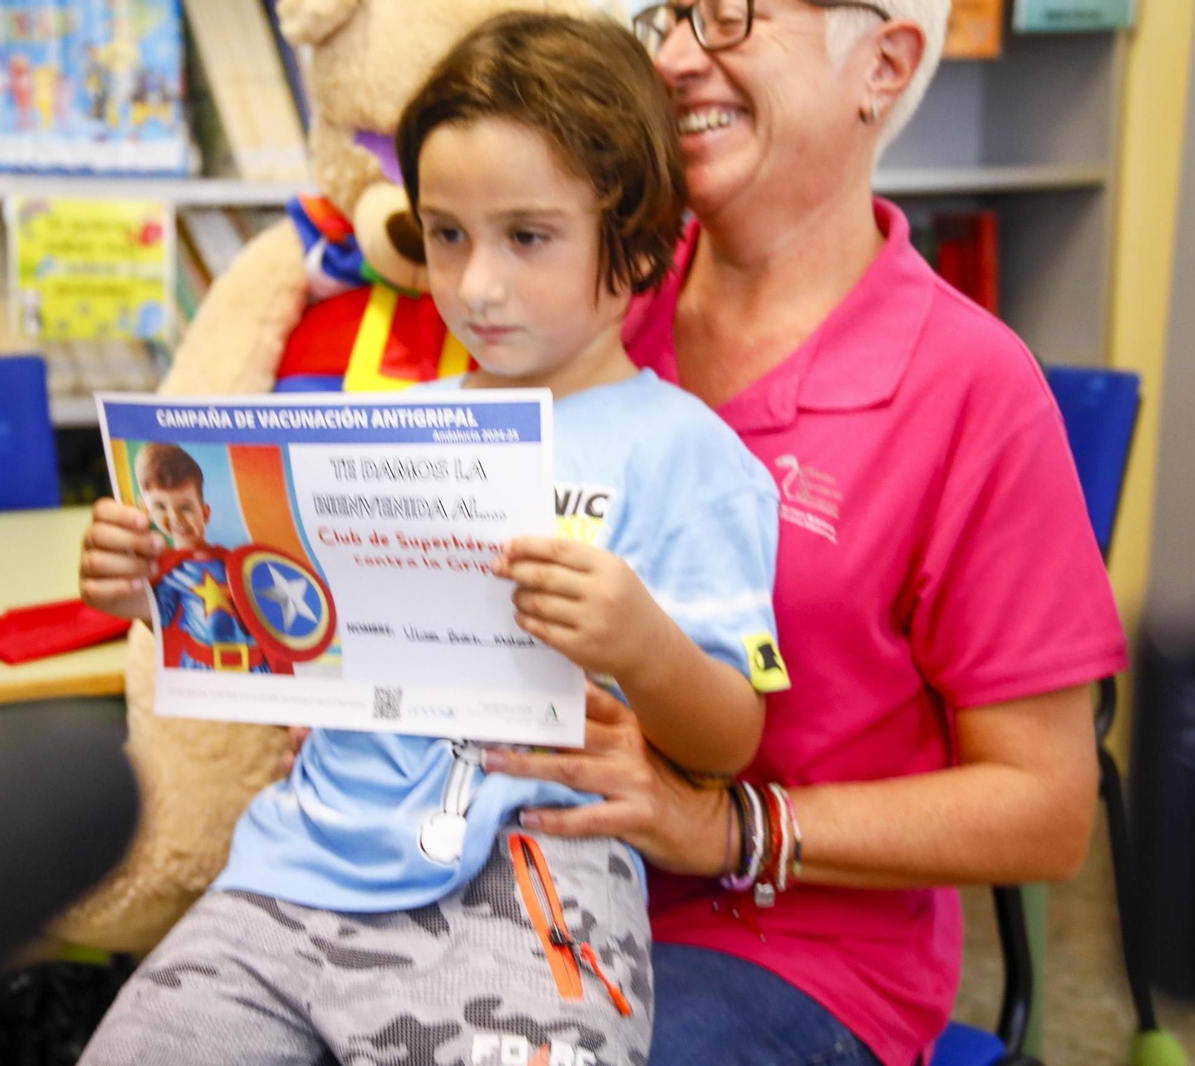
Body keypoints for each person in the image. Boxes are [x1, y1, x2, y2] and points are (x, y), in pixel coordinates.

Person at [75, 13, 789, 1065]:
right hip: (293, 869)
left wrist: (639, 639)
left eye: (527, 237)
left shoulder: (683, 454)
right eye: (446, 234)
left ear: (635, 244)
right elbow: (291, 628)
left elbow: (733, 739)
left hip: (524, 882)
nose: (476, 284)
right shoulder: (386, 419)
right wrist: (162, 582)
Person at [476, 3, 1127, 1065]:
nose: (678, 57)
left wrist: (729, 829)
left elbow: (1048, 811)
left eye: (730, 13)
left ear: (883, 60)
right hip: (506, 879)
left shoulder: (970, 388)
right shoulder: (576, 293)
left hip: (786, 954)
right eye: (665, 16)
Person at [132, 442, 270, 673]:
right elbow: (156, 617)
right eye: (161, 506)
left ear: (205, 512)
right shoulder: (166, 572)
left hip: (256, 665)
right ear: (145, 510)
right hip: (202, 666)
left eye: (185, 507)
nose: (176, 518)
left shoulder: (234, 562)